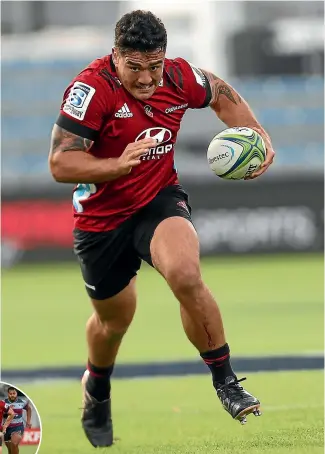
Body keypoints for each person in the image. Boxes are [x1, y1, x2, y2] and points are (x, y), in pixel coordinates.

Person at [49, 9, 275, 448]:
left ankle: (226, 382)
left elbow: (220, 93)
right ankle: (96, 387)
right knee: (114, 321)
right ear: (115, 56)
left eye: (154, 66)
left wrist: (258, 135)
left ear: (164, 59)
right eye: (135, 68)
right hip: (101, 218)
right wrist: (118, 163)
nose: (148, 79)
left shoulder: (177, 77)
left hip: (157, 200)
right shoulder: (89, 89)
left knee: (186, 274)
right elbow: (60, 162)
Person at [4, 388, 31, 454]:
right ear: (8, 394)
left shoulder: (22, 402)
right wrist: (7, 412)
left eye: (14, 393)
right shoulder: (3, 402)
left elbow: (29, 409)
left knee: (14, 443)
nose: (12, 395)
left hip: (18, 427)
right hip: (7, 428)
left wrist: (28, 421)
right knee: (10, 450)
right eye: (10, 394)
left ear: (16, 394)